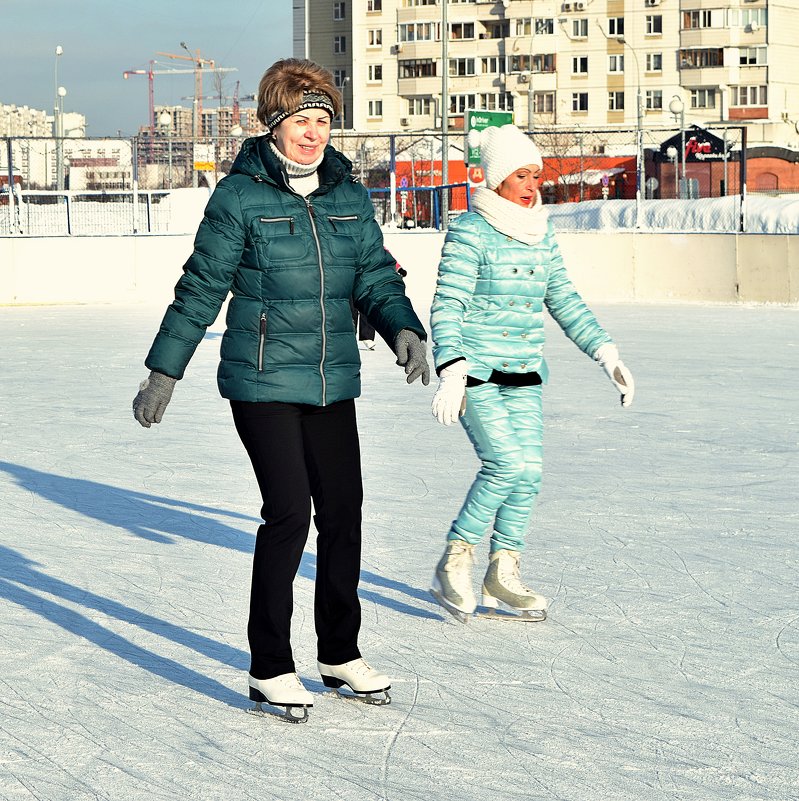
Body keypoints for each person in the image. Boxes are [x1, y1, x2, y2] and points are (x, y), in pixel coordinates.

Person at [132, 58, 429, 722]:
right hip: (261, 377)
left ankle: (339, 653)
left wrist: (403, 327)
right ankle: (269, 665)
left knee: (344, 512)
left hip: (330, 378)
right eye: (301, 120)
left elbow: (375, 275)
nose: (313, 133)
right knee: (290, 511)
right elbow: (201, 287)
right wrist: (165, 370)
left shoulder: (348, 195)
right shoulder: (239, 197)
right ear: (273, 123)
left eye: (323, 120)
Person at [428, 124, 634, 623]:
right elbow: (448, 303)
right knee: (506, 464)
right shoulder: (471, 230)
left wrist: (606, 353)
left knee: (530, 473)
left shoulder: (542, 231)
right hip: (477, 370)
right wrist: (451, 368)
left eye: (535, 174)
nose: (531, 184)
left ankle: (503, 572)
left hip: (524, 373)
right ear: (497, 178)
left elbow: (563, 298)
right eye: (521, 174)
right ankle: (454, 561)